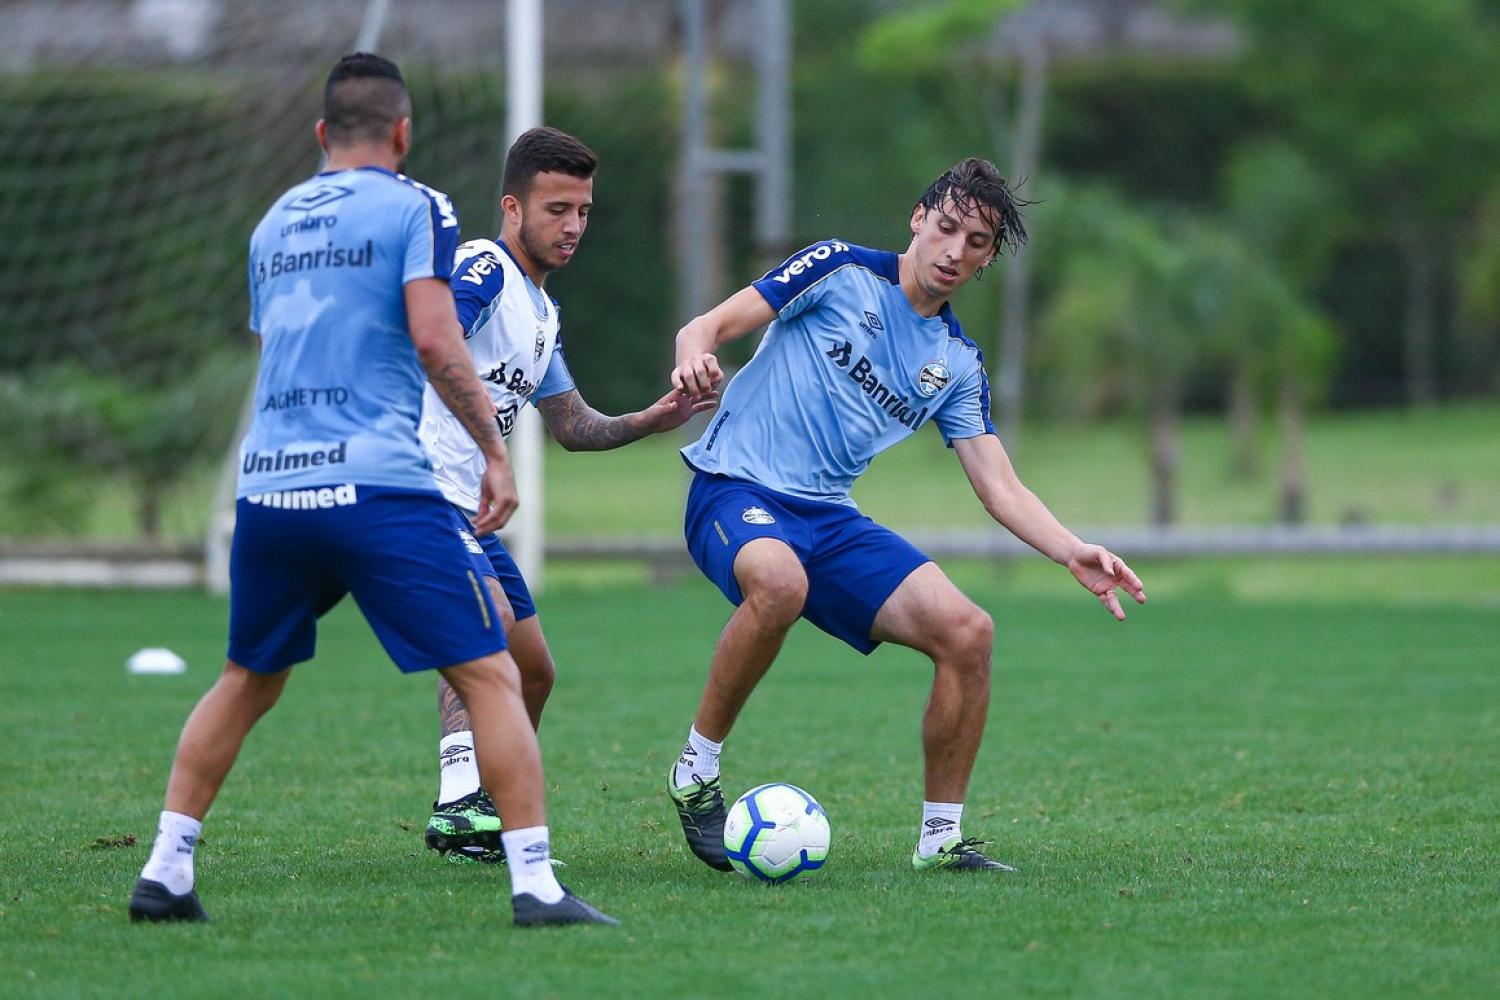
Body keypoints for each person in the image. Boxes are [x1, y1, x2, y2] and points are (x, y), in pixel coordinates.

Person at [126, 53, 614, 927]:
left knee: (247, 677)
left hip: (270, 486)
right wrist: (492, 454)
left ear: (321, 135)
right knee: (493, 675)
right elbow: (435, 338)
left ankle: (165, 868)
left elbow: (279, 342)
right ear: (402, 133)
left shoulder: (273, 221)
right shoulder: (417, 206)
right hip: (378, 483)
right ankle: (535, 885)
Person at [665, 157, 1147, 873]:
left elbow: (1000, 486)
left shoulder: (955, 363)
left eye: (976, 242)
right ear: (918, 220)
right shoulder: (837, 269)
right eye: (947, 228)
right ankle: (696, 771)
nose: (955, 251)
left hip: (826, 519)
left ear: (987, 259)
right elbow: (707, 326)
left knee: (969, 632)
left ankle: (940, 839)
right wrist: (692, 356)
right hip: (734, 487)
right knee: (781, 584)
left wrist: (1070, 549)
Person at [416, 126, 716, 863]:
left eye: (583, 210)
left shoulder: (543, 314)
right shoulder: (484, 268)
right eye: (557, 209)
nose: (573, 225)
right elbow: (433, 340)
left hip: (471, 510)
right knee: (483, 637)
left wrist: (657, 418)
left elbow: (572, 426)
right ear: (512, 208)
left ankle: (480, 806)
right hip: (421, 488)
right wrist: (492, 449)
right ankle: (460, 802)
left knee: (536, 670)